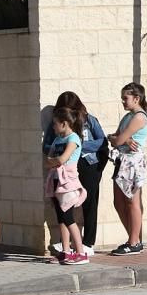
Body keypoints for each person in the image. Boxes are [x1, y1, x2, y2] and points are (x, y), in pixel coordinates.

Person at [44, 92, 108, 256]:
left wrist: (78, 147)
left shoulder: (89, 120)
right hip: (63, 172)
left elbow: (102, 142)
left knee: (89, 203)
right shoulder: (57, 124)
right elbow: (47, 146)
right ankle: (65, 245)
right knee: (64, 208)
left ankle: (87, 244)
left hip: (88, 164)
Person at [108, 82, 147, 256]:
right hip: (122, 160)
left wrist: (118, 139)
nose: (123, 102)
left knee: (132, 201)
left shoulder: (139, 117)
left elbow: (116, 140)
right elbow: (114, 137)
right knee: (119, 202)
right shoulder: (127, 117)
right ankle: (132, 238)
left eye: (126, 98)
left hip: (132, 162)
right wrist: (119, 139)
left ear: (136, 98)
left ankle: (134, 242)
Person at [44, 107, 88, 265]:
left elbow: (62, 159)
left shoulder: (73, 139)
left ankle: (81, 253)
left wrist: (54, 161)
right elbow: (48, 159)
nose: (53, 127)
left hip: (67, 182)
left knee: (69, 218)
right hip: (56, 180)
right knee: (61, 218)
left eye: (55, 124)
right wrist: (53, 161)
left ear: (64, 123)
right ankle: (66, 252)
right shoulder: (57, 140)